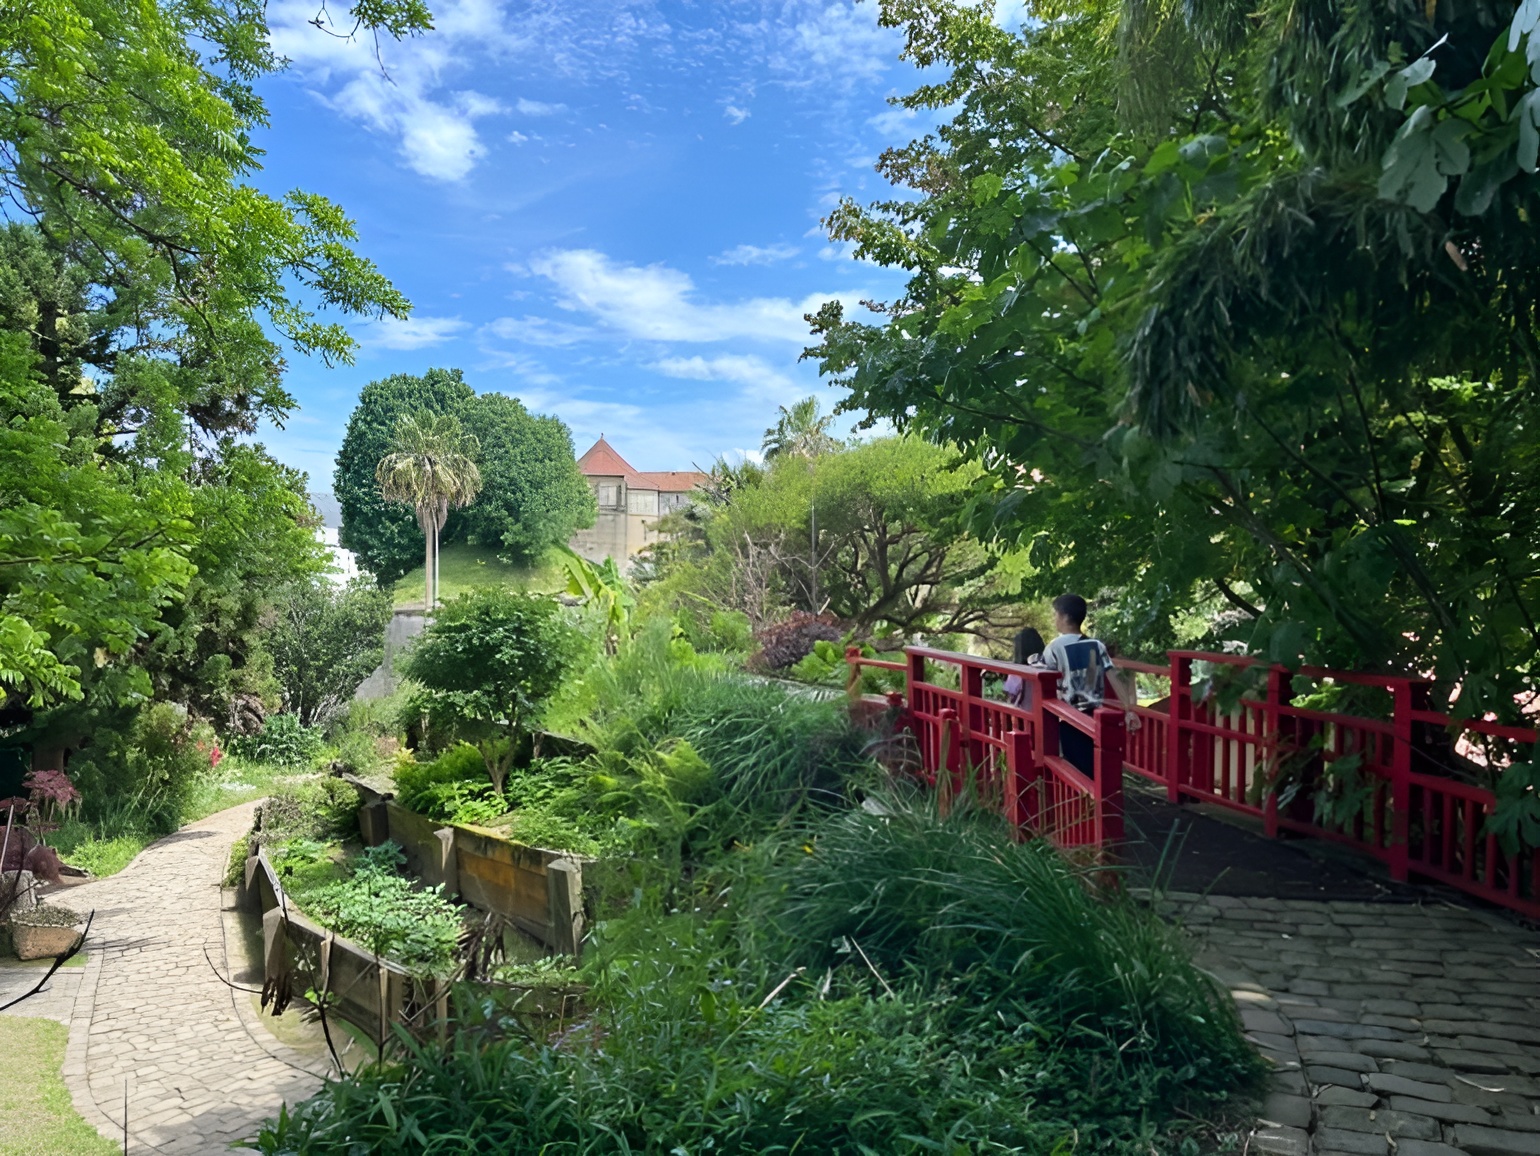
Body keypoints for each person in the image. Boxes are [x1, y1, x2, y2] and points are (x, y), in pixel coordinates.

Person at [1039, 593, 1138, 775]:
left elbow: (1044, 677)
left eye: (1055, 614)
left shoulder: (1054, 647)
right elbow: (1113, 677)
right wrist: (1129, 709)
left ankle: (1088, 801)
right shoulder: (1096, 645)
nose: (1055, 619)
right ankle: (1099, 798)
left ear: (1064, 616)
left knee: (1076, 767)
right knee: (1094, 764)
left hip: (1069, 716)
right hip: (1095, 716)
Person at [1002, 627, 1046, 708]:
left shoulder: (1016, 672)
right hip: (1045, 713)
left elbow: (1010, 694)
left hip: (1025, 715)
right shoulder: (1046, 668)